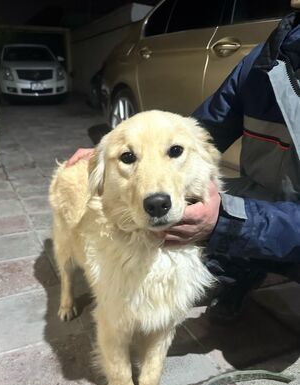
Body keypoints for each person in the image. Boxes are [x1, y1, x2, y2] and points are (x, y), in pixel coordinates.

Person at [67, 11, 300, 320]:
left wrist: (226, 222)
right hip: (274, 196)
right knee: (198, 202)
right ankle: (244, 270)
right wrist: (109, 150)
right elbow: (197, 132)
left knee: (223, 216)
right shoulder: (266, 60)